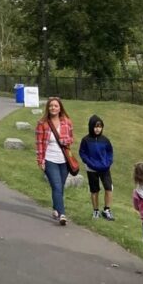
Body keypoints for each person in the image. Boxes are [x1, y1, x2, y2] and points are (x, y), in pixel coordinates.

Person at [35, 96, 74, 225]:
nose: (53, 108)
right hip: (50, 159)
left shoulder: (67, 122)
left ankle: (55, 208)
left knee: (59, 187)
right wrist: (41, 161)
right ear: (48, 108)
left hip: (64, 160)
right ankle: (62, 214)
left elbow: (71, 139)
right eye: (51, 106)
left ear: (60, 108)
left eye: (56, 106)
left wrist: (65, 140)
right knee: (56, 185)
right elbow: (39, 143)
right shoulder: (42, 123)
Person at [79, 114, 115, 220]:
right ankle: (95, 211)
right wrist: (89, 162)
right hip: (92, 169)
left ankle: (107, 210)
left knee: (108, 188)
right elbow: (82, 153)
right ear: (91, 127)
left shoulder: (105, 140)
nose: (97, 129)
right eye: (95, 126)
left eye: (99, 126)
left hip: (105, 168)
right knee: (94, 190)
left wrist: (108, 162)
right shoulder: (86, 140)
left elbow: (110, 152)